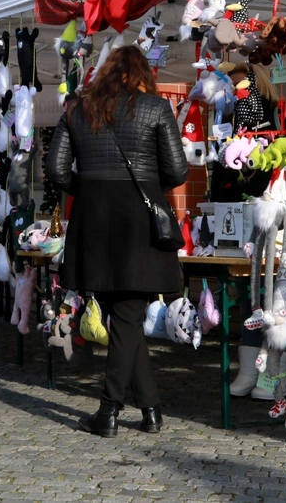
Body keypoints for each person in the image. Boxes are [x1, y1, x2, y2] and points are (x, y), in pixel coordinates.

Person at [45, 45, 189, 437]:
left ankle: (150, 409)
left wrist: (89, 189)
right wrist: (146, 184)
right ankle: (110, 410)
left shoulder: (76, 109)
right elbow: (177, 171)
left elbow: (56, 170)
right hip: (140, 220)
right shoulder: (156, 108)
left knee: (125, 318)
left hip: (93, 220)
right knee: (127, 318)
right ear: (142, 74)